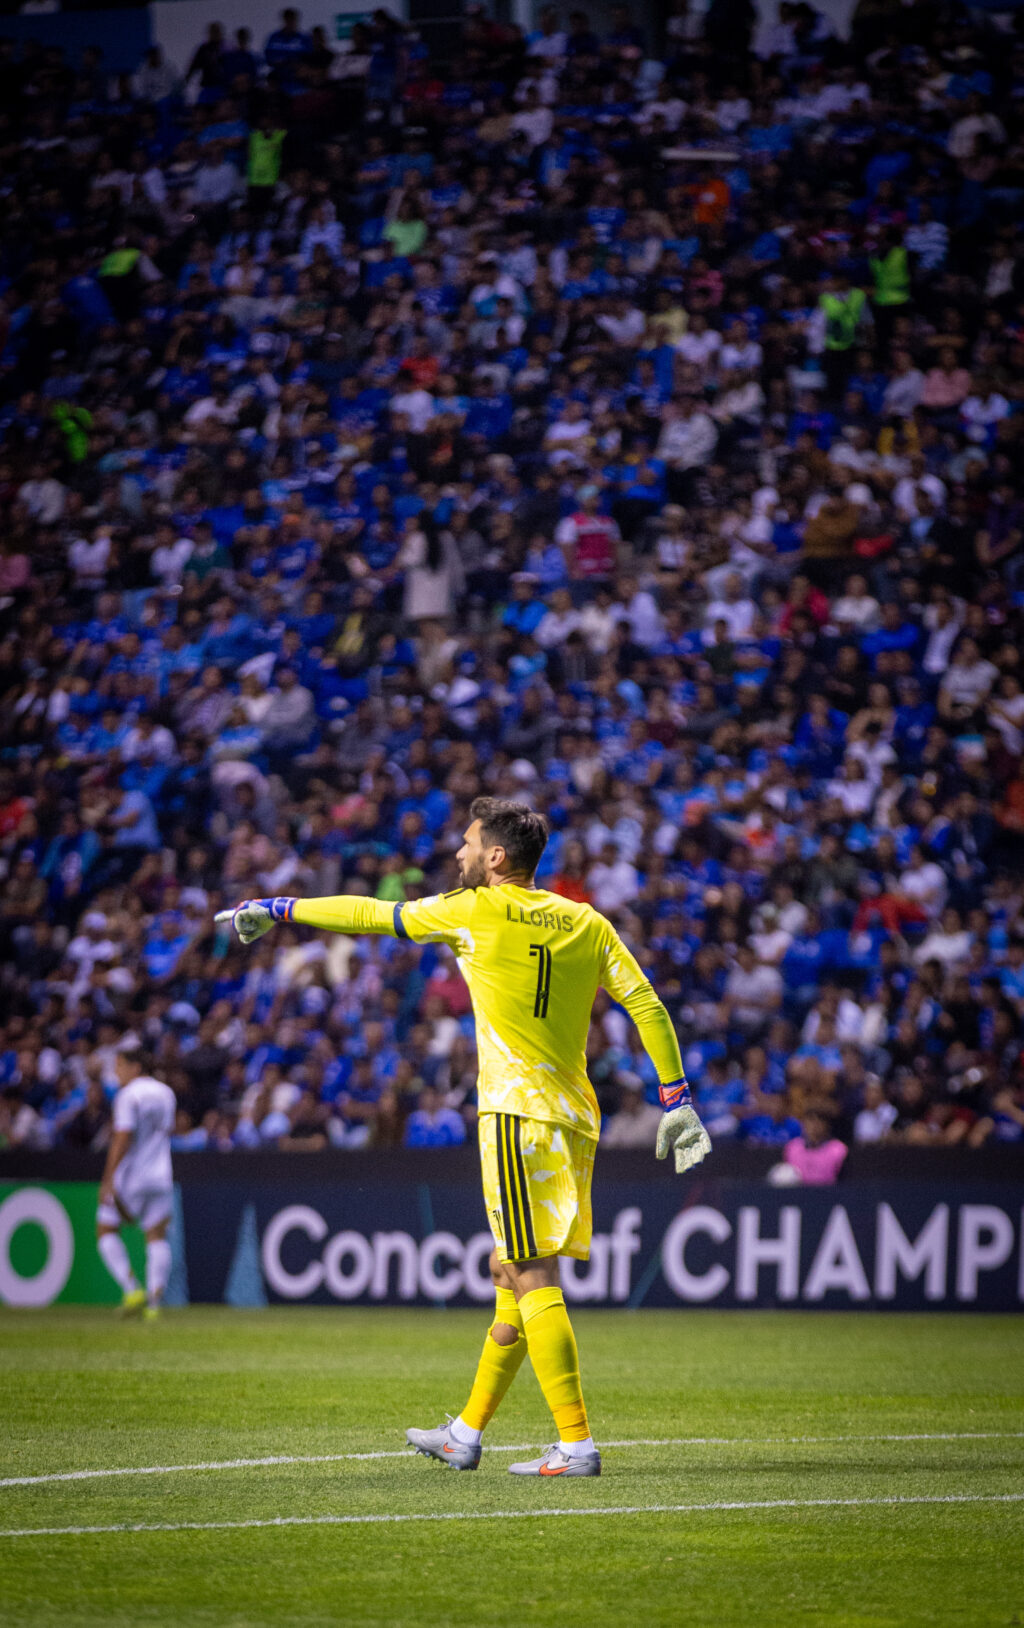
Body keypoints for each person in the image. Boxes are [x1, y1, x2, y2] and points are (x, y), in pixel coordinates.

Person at [217, 797, 711, 1477]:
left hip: (514, 1113)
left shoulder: (471, 911)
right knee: (511, 1274)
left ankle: (576, 1443)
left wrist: (279, 909)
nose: (458, 855)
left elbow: (370, 915)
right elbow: (646, 1003)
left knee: (530, 1271)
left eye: (468, 844)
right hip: (573, 1118)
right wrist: (675, 1098)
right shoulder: (585, 920)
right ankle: (465, 1433)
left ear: (496, 858)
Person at [95, 1048, 176, 1318]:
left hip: (131, 1175)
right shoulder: (167, 1093)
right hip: (161, 1174)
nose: (116, 1073)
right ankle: (154, 1304)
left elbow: (123, 1137)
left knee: (106, 1229)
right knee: (156, 1236)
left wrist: (108, 1178)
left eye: (119, 1066)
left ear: (136, 1067)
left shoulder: (128, 1095)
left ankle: (132, 1288)